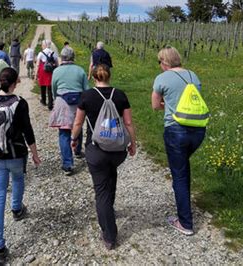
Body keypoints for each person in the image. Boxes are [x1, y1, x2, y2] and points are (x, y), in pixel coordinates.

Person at [71, 64, 137, 250]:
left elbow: (78, 122)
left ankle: (109, 236)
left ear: (93, 77)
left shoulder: (87, 96)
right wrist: (133, 143)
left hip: (96, 149)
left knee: (101, 191)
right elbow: (129, 122)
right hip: (117, 150)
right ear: (109, 76)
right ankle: (110, 209)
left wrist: (73, 139)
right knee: (111, 174)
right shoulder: (120, 95)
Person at [0, 67, 41, 264]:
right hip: (16, 154)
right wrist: (34, 153)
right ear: (16, 82)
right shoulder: (20, 103)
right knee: (18, 179)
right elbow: (28, 130)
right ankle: (17, 209)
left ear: (0, 81)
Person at [151, 46, 206, 236]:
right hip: (198, 130)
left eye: (159, 62)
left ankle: (185, 223)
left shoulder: (162, 79)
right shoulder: (193, 76)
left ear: (164, 62)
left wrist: (168, 104)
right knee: (182, 167)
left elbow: (155, 105)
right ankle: (183, 197)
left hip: (176, 130)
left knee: (179, 176)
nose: (159, 66)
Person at [49, 47, 88, 175]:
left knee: (64, 131)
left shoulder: (57, 71)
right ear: (73, 57)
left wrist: (56, 99)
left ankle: (67, 164)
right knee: (78, 126)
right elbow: (86, 89)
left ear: (62, 57)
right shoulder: (80, 70)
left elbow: (53, 88)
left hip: (62, 101)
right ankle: (77, 150)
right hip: (78, 101)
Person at [36, 39, 58, 110]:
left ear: (45, 45)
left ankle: (43, 100)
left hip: (43, 72)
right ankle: (50, 104)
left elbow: (38, 64)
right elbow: (57, 63)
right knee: (50, 88)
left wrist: (36, 74)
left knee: (42, 86)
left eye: (42, 45)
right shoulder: (53, 53)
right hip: (51, 72)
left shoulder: (41, 53)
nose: (42, 46)